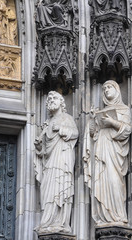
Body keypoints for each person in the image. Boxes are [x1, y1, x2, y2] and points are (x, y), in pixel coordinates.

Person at [83, 80, 132, 227]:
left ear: (117, 90)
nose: (106, 90)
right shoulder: (101, 112)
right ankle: (105, 217)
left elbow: (127, 130)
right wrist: (92, 119)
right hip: (101, 149)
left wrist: (112, 122)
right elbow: (92, 133)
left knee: (114, 181)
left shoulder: (124, 109)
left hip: (115, 151)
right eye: (104, 88)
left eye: (109, 87)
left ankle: (117, 216)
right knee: (102, 181)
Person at [34, 91, 78, 233]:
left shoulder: (67, 118)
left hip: (62, 160)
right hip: (49, 162)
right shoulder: (47, 124)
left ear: (61, 102)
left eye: (54, 98)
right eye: (49, 99)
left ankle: (59, 222)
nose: (51, 100)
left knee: (59, 189)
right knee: (47, 190)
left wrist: (61, 129)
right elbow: (44, 151)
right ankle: (47, 221)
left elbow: (75, 134)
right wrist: (39, 145)